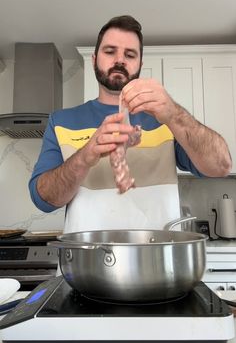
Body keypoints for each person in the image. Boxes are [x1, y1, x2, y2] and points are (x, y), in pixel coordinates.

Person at [29, 15, 232, 233]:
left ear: (140, 64)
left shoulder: (166, 121)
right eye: (110, 51)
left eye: (130, 54)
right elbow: (44, 199)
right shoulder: (61, 121)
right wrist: (85, 155)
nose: (120, 60)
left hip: (157, 263)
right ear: (94, 58)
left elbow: (221, 166)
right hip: (84, 264)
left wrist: (174, 114)